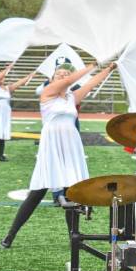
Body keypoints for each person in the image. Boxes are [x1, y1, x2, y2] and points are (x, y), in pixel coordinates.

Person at [0, 62, 116, 248]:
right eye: (58, 74)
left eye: (65, 74)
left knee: (72, 192)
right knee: (38, 192)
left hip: (70, 145)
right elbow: (72, 79)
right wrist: (91, 65)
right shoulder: (47, 93)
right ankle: (10, 234)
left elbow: (91, 84)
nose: (62, 76)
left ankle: (74, 238)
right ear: (52, 79)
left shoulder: (71, 96)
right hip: (52, 145)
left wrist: (109, 69)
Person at [35, 56, 83, 206]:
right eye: (59, 71)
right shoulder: (47, 88)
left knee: (69, 159)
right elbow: (40, 90)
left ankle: (69, 194)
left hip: (69, 123)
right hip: (53, 129)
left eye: (66, 71)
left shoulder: (71, 91)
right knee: (54, 161)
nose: (62, 74)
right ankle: (57, 194)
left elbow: (77, 92)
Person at [0, 63, 36, 162]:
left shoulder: (7, 88)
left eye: (3, 76)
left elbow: (19, 83)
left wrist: (30, 76)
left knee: (1, 133)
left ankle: (1, 155)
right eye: (0, 76)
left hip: (4, 113)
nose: (2, 78)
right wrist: (8, 68)